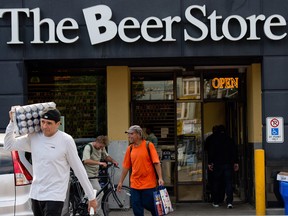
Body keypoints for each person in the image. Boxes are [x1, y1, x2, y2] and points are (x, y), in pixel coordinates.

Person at [4, 107, 97, 216]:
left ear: (58, 124)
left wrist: (91, 197)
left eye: (49, 123)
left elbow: (78, 169)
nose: (44, 126)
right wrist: (12, 122)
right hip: (36, 195)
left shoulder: (66, 140)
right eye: (43, 122)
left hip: (55, 195)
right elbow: (9, 144)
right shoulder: (34, 137)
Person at [117, 125, 164, 216]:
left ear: (139, 134)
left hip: (149, 184)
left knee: (151, 206)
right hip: (135, 185)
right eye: (128, 134)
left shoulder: (148, 145)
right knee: (136, 208)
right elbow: (126, 167)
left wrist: (160, 178)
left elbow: (156, 162)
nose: (129, 136)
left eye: (131, 134)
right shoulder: (129, 149)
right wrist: (121, 181)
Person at [82, 135, 119, 216]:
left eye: (103, 147)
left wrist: (113, 161)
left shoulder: (102, 148)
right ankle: (97, 212)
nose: (101, 148)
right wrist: (100, 163)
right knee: (99, 192)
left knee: (91, 194)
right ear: (97, 142)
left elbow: (106, 156)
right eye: (100, 146)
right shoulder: (88, 147)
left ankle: (86, 208)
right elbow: (86, 160)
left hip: (95, 174)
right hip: (88, 174)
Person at [206, 125, 239, 209]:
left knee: (216, 183)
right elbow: (234, 151)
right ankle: (229, 202)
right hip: (228, 164)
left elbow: (211, 152)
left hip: (217, 164)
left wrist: (210, 163)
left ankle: (216, 202)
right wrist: (236, 162)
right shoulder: (229, 139)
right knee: (228, 183)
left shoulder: (213, 140)